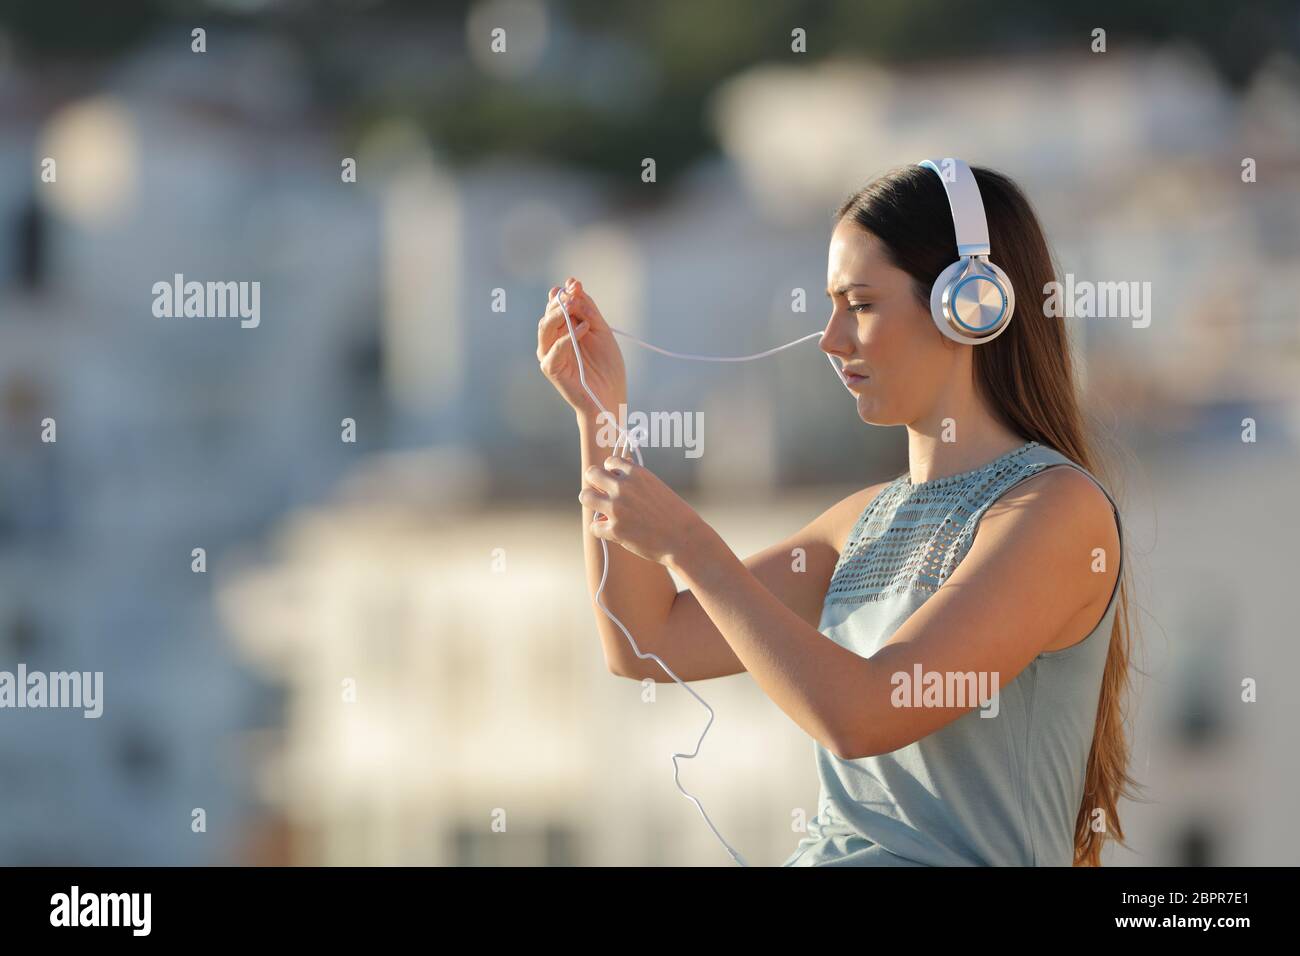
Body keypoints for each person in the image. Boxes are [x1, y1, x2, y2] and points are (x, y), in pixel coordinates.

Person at [536, 164, 1139, 866]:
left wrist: (691, 547)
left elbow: (865, 712)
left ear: (969, 305)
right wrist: (601, 413)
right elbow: (647, 641)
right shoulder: (861, 522)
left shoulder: (1055, 509)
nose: (830, 338)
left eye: (858, 304)